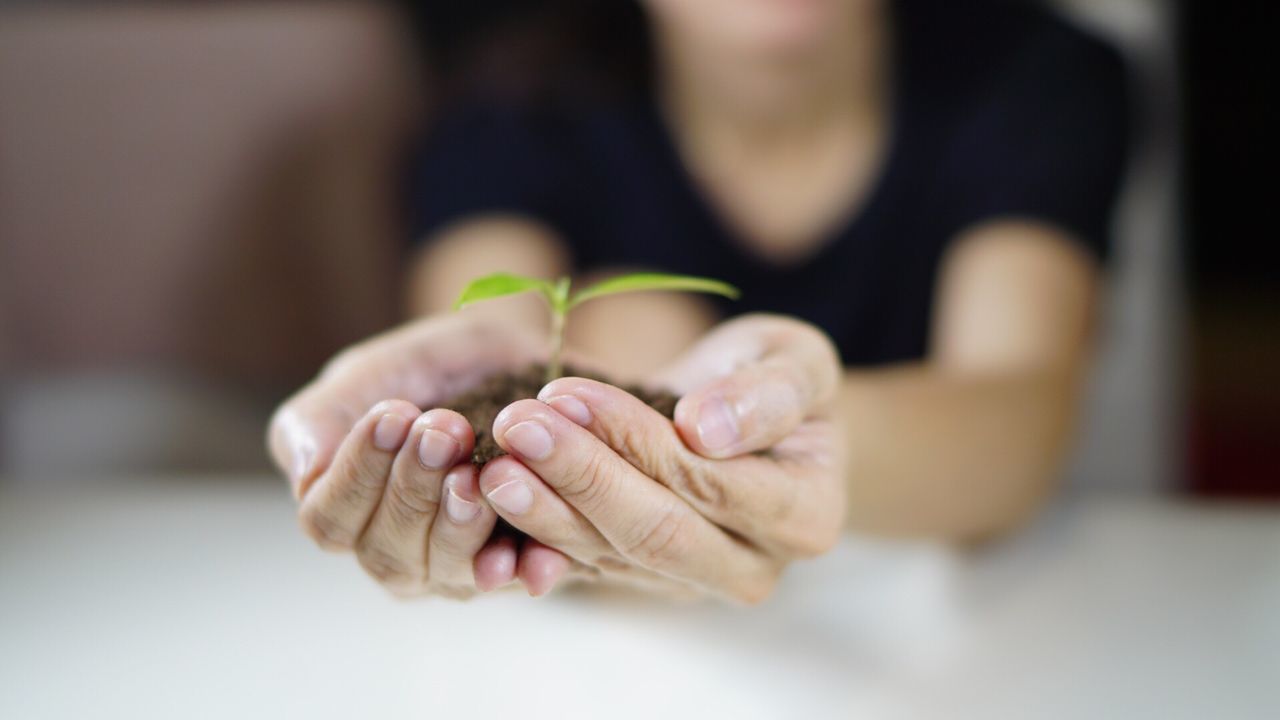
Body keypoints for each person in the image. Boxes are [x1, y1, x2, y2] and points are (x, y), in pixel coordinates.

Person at [268, 0, 1128, 603]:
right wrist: (483, 433)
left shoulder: (1033, 82)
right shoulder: (507, 109)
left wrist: (776, 441)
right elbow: (485, 323)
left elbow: (1020, 417)